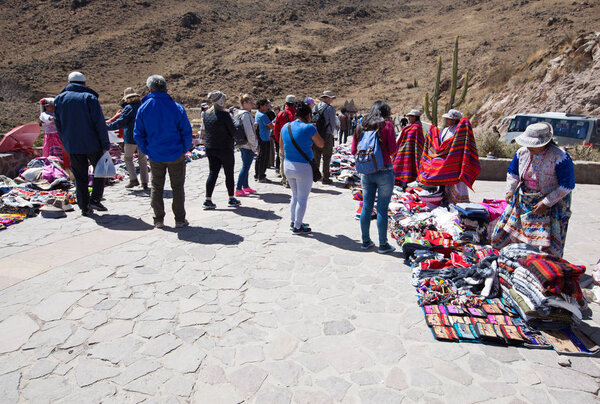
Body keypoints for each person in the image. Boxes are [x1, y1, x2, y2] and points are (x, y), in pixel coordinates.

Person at [492, 122, 575, 257]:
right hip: (524, 200)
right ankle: (518, 257)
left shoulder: (559, 157)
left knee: (545, 241)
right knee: (506, 231)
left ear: (545, 143)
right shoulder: (522, 153)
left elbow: (567, 185)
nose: (529, 146)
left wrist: (546, 202)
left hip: (551, 204)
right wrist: (510, 190)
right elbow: (513, 173)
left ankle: (542, 264)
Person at [134, 75, 192, 228]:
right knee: (178, 187)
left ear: (150, 89)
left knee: (157, 187)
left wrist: (147, 150)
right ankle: (180, 219)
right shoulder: (177, 107)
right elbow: (186, 132)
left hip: (155, 154)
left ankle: (158, 219)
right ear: (166, 89)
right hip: (176, 154)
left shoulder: (143, 108)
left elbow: (138, 134)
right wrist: (183, 149)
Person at [54, 71, 110, 216]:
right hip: (93, 143)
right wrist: (105, 144)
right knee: (100, 171)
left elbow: (58, 124)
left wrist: (66, 142)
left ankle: (84, 206)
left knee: (80, 177)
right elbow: (99, 123)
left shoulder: (59, 99)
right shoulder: (89, 97)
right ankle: (95, 199)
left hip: (73, 145)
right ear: (84, 83)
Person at [351, 101, 398, 254]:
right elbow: (392, 149)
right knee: (382, 209)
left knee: (366, 206)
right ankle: (383, 245)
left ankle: (365, 242)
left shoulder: (360, 125)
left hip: (366, 171)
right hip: (384, 170)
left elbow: (353, 150)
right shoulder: (387, 125)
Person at [418, 109, 480, 204]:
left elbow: (458, 148)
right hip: (445, 157)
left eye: (448, 119)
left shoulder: (460, 132)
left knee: (450, 179)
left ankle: (456, 202)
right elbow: (442, 146)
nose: (446, 120)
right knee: (430, 165)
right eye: (446, 118)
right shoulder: (446, 130)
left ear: (454, 120)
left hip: (455, 160)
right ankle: (441, 198)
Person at [282, 102, 324, 234]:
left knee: (294, 196)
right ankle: (298, 226)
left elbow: (281, 145)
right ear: (308, 115)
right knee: (302, 198)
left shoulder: (286, 126)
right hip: (302, 167)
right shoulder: (309, 128)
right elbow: (321, 144)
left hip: (288, 165)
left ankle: (294, 221)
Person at [202, 91, 241, 210]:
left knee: (213, 172)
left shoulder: (206, 114)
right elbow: (233, 131)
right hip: (225, 148)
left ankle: (208, 199)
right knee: (229, 173)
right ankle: (231, 197)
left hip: (211, 147)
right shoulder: (224, 115)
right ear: (221, 101)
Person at [106, 88, 148, 189]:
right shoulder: (143, 106)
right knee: (142, 159)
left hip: (131, 137)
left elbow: (121, 122)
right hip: (143, 137)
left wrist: (106, 127)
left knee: (128, 158)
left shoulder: (128, 108)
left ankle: (133, 179)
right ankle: (145, 182)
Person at [234, 94, 259, 197]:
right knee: (246, 167)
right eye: (251, 103)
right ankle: (238, 188)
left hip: (242, 143)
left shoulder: (238, 113)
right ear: (245, 103)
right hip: (248, 144)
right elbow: (249, 131)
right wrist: (254, 146)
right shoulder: (246, 115)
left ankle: (246, 186)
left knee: (246, 166)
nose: (252, 105)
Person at [312, 90, 338, 185]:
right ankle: (326, 177)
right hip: (326, 134)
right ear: (327, 98)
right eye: (331, 98)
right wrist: (332, 134)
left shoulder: (315, 107)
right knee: (326, 157)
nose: (332, 100)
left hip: (315, 134)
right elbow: (332, 123)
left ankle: (315, 175)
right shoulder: (330, 109)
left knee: (316, 155)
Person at [393, 109, 425, 187]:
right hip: (403, 150)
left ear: (415, 117)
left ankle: (407, 186)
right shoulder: (409, 127)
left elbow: (419, 142)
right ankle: (401, 184)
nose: (409, 118)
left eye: (411, 117)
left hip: (412, 153)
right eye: (409, 117)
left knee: (409, 168)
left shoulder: (417, 128)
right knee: (398, 166)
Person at [39, 97, 70, 168]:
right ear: (45, 107)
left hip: (60, 136)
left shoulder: (57, 114)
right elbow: (48, 118)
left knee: (63, 154)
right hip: (51, 137)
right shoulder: (44, 115)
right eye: (50, 106)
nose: (52, 107)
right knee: (53, 155)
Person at [273, 95, 296, 188]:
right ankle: (291, 180)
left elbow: (276, 128)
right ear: (294, 103)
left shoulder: (281, 114)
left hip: (283, 140)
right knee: (292, 161)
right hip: (294, 141)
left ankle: (284, 179)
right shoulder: (297, 114)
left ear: (286, 103)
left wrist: (278, 139)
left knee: (283, 160)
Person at [254, 99, 274, 182]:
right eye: (265, 105)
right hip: (264, 138)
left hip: (261, 137)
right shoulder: (263, 116)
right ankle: (261, 176)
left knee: (260, 157)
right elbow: (271, 126)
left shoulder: (258, 114)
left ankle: (257, 174)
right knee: (264, 158)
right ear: (261, 106)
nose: (267, 107)